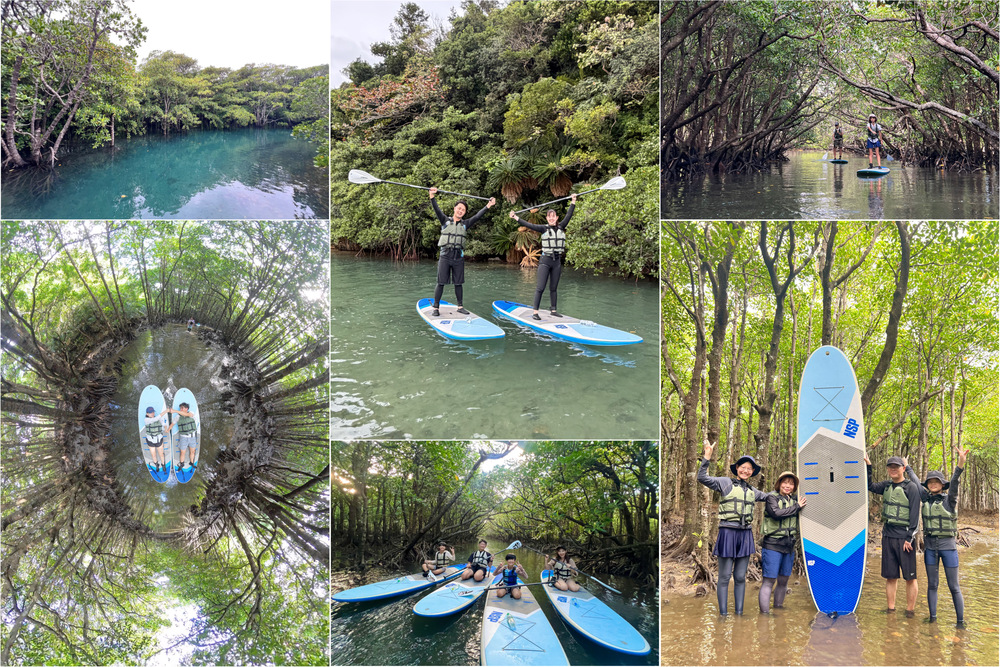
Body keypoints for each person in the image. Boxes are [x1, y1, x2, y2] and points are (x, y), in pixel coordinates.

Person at [697, 439, 769, 615]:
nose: (745, 470)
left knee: (739, 577)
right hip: (728, 533)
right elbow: (702, 478)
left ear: (752, 472)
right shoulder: (724, 483)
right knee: (723, 577)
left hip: (745, 535)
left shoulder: (753, 491)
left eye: (749, 468)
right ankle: (722, 616)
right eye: (742, 467)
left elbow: (770, 497)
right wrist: (707, 457)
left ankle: (739, 614)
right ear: (737, 468)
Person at [906, 448, 969, 626]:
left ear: (942, 484)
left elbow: (955, 482)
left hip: (948, 547)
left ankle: (960, 622)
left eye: (937, 481)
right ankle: (932, 618)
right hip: (931, 548)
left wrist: (960, 463)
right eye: (931, 482)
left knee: (954, 586)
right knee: (932, 585)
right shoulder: (925, 499)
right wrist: (908, 467)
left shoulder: (950, 500)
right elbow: (917, 483)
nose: (933, 484)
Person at [866, 453, 921, 616]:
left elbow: (914, 515)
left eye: (896, 467)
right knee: (891, 576)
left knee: (910, 577)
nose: (893, 469)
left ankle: (910, 610)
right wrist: (869, 466)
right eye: (890, 467)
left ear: (903, 468)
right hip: (888, 536)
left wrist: (909, 538)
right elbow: (870, 486)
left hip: (904, 538)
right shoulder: (886, 485)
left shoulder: (911, 487)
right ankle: (891, 609)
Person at [429, 187, 496, 316]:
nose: (460, 211)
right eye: (459, 208)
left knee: (458, 283)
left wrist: (488, 205)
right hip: (445, 255)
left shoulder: (466, 224)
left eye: (463, 210)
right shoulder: (445, 220)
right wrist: (432, 196)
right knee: (441, 282)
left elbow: (478, 216)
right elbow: (436, 210)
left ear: (464, 212)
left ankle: (460, 307)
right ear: (455, 209)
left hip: (458, 257)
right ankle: (436, 307)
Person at [508, 194, 577, 319]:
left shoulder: (562, 226)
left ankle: (553, 310)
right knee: (540, 287)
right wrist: (516, 217)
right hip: (545, 261)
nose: (551, 218)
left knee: (554, 288)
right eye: (549, 217)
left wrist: (573, 201)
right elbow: (529, 225)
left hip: (556, 262)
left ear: (556, 218)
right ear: (547, 218)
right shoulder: (543, 229)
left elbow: (569, 215)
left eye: (553, 216)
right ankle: (535, 312)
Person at [759, 471, 806, 613]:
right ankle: (764, 616)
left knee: (784, 580)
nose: (788, 486)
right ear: (779, 483)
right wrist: (797, 507)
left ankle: (778, 610)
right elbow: (776, 513)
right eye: (785, 482)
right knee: (769, 581)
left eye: (791, 484)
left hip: (789, 546)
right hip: (773, 545)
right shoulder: (771, 498)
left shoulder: (795, 500)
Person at [169, 403, 198, 472]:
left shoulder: (191, 413)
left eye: (182, 408)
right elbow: (172, 424)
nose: (181, 409)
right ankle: (182, 464)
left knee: (192, 451)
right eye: (180, 408)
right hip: (183, 438)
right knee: (182, 452)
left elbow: (188, 415)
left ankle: (192, 462)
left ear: (186, 409)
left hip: (192, 437)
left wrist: (175, 411)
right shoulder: (178, 417)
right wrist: (167, 430)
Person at [143, 406, 169, 472]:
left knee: (161, 454)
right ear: (147, 414)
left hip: (159, 439)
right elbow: (155, 419)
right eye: (150, 413)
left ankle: (163, 465)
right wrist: (166, 411)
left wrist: (166, 428)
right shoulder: (146, 420)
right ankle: (156, 464)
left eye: (153, 412)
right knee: (153, 454)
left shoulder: (158, 418)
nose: (152, 414)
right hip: (150, 440)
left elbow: (163, 424)